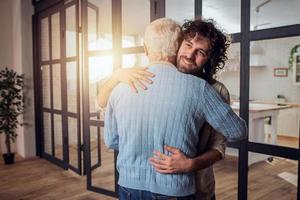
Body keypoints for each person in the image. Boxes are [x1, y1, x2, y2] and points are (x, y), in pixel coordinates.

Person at [104, 18, 246, 200]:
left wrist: (191, 164)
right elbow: (103, 101)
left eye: (200, 52)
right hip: (168, 188)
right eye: (187, 45)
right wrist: (117, 76)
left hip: (198, 187)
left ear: (210, 59)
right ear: (177, 44)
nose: (189, 55)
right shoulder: (137, 78)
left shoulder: (214, 90)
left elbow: (221, 145)